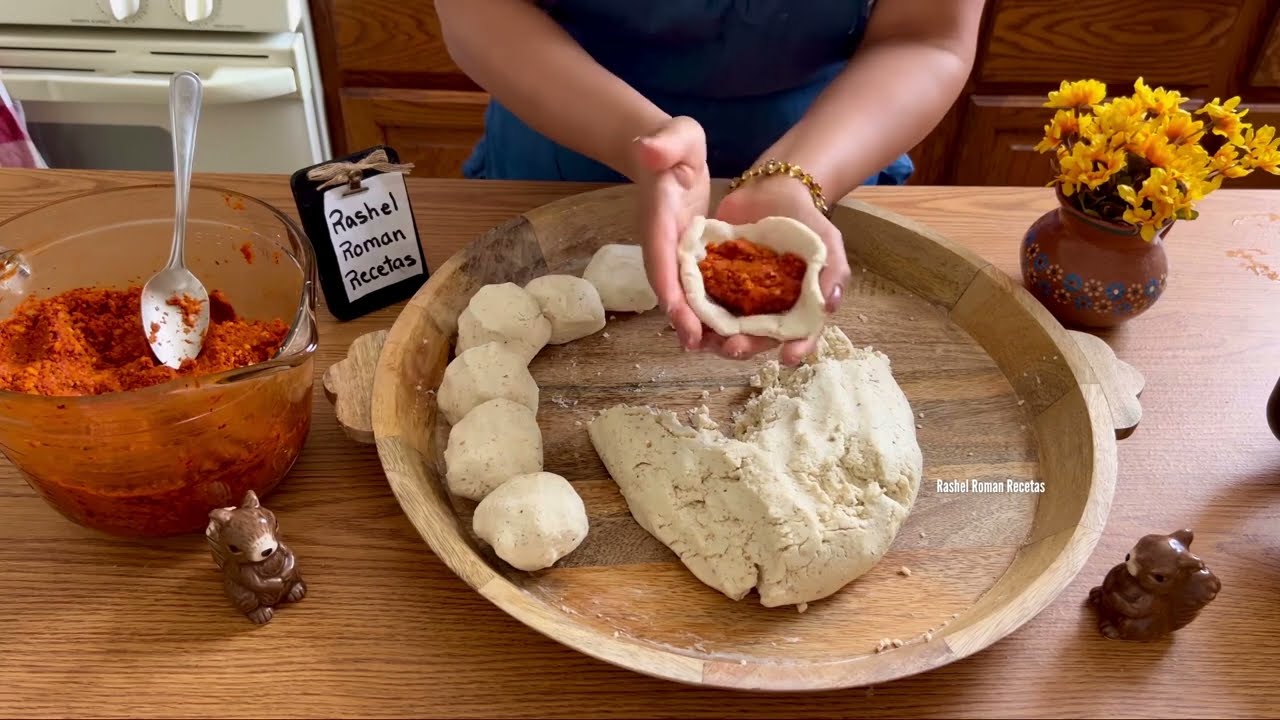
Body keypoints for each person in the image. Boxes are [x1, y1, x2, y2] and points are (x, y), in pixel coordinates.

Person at [435, 0, 985, 365]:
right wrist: (637, 135)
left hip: (838, 135)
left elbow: (927, 36)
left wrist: (797, 176)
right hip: (564, 125)